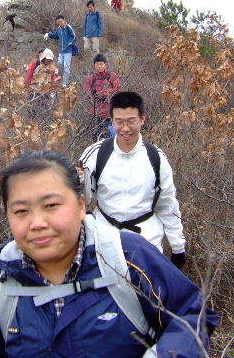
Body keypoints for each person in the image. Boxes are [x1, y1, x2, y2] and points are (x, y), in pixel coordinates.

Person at [0, 150, 219, 358]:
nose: (37, 223)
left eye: (51, 205)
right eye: (21, 211)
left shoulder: (126, 257)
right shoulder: (4, 279)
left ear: (81, 204)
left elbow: (191, 315)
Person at [79, 91, 187, 269]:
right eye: (119, 122)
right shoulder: (96, 153)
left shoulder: (156, 158)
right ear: (111, 121)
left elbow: (167, 204)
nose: (125, 129)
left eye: (131, 121)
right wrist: (79, 182)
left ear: (142, 119)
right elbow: (84, 200)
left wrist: (178, 247)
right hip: (103, 238)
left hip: (146, 241)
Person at [85, 54, 121, 140]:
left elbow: (118, 90)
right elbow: (87, 91)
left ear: (105, 64)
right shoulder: (92, 78)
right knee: (96, 137)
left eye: (101, 64)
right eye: (97, 64)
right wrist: (93, 95)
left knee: (110, 136)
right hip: (96, 113)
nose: (99, 66)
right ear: (94, 66)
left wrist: (104, 93)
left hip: (109, 113)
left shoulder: (112, 76)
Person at [25, 48, 59, 119]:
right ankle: (31, 122)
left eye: (50, 59)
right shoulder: (35, 63)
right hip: (34, 90)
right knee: (32, 108)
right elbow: (29, 75)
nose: (49, 61)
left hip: (46, 91)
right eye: (47, 59)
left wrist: (52, 91)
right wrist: (28, 87)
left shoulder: (51, 66)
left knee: (45, 109)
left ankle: (43, 122)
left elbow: (53, 79)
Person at [44, 15, 77, 86]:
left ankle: (65, 83)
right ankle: (59, 79)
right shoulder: (59, 28)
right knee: (59, 65)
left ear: (64, 20)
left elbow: (73, 36)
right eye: (58, 22)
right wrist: (49, 34)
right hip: (61, 51)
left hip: (68, 51)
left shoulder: (68, 27)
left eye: (61, 22)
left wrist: (70, 42)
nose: (60, 24)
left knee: (66, 67)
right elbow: (56, 35)